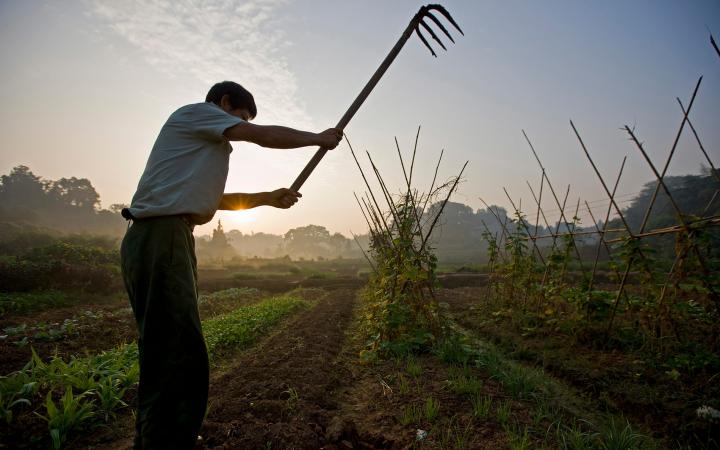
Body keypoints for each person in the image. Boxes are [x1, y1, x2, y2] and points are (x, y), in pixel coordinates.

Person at [120, 81, 342, 449]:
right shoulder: (198, 113)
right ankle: (167, 441)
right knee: (177, 349)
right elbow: (262, 135)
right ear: (223, 103)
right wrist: (317, 138)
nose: (241, 125)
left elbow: (214, 200)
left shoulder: (198, 143)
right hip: (162, 237)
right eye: (240, 116)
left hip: (164, 237)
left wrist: (266, 198)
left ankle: (163, 437)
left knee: (166, 346)